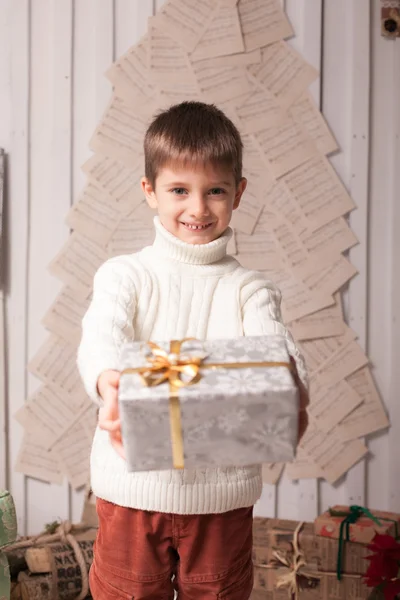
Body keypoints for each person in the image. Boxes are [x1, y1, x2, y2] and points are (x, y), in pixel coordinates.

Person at [77, 100, 308, 600]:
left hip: (220, 501)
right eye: (179, 190)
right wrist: (109, 378)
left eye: (215, 191)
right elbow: (103, 331)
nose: (198, 208)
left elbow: (275, 350)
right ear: (150, 192)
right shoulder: (126, 275)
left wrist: (290, 384)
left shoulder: (250, 289)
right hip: (132, 493)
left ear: (238, 193)